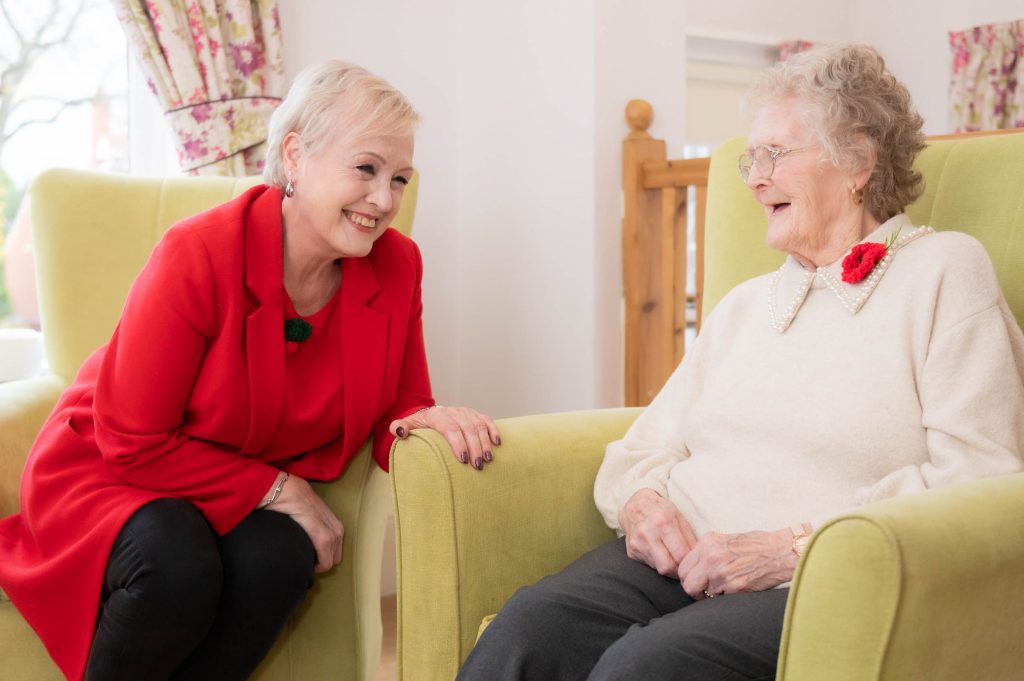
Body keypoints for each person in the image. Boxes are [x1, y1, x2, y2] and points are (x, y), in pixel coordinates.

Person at [456, 43, 1024, 681]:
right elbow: (645, 448)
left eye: (775, 155)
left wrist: (794, 548)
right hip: (679, 559)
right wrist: (643, 506)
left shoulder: (945, 271)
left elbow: (982, 474)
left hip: (814, 581)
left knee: (645, 667)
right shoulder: (748, 304)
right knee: (528, 628)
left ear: (858, 161)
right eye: (751, 159)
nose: (754, 178)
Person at [0, 60, 499, 681]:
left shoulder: (398, 266)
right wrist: (280, 489)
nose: (385, 198)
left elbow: (399, 408)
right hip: (112, 466)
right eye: (366, 168)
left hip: (224, 478)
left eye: (400, 178)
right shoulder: (199, 252)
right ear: (295, 157)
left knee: (281, 557)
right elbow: (130, 437)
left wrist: (431, 422)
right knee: (176, 559)